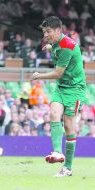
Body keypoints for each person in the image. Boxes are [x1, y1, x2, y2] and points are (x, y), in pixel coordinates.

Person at [31, 16, 87, 177]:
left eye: (48, 32)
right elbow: (55, 46)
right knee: (54, 113)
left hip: (75, 89)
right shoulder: (57, 43)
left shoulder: (67, 46)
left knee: (69, 126)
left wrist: (39, 76)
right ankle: (57, 152)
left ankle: (67, 168)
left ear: (57, 31)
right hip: (61, 87)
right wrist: (49, 47)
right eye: (44, 32)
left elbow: (57, 73)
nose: (45, 35)